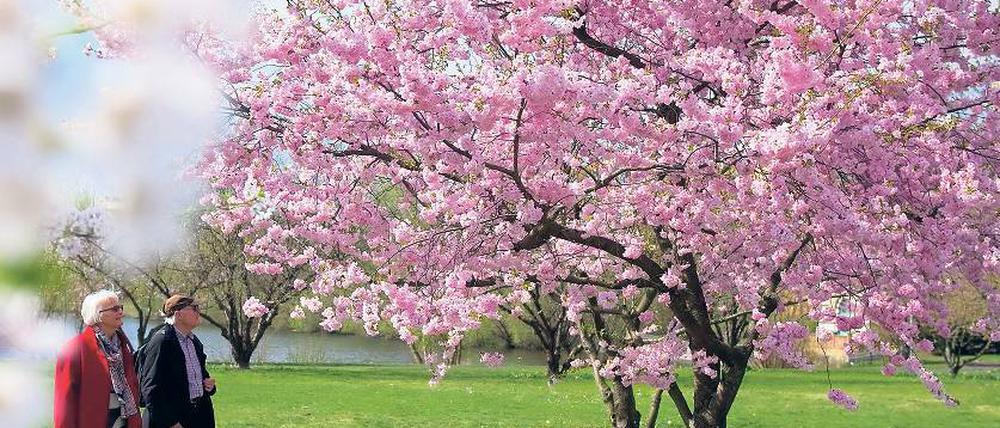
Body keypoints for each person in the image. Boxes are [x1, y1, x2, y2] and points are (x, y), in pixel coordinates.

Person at [54, 289, 142, 428]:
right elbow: (65, 400)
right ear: (98, 315)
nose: (120, 312)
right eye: (114, 309)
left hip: (124, 419)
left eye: (120, 307)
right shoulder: (76, 348)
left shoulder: (122, 345)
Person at [139, 295, 217, 428]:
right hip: (171, 419)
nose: (198, 313)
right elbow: (151, 388)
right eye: (194, 308)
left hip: (198, 415)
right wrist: (170, 422)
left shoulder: (194, 341)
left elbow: (200, 375)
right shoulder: (162, 342)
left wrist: (208, 385)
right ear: (178, 314)